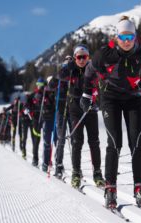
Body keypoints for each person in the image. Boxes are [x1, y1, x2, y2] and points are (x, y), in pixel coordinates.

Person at [80, 16, 141, 208]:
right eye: (123, 37)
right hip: (110, 98)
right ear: (117, 37)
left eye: (130, 37)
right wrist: (87, 95)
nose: (127, 41)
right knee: (114, 143)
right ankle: (110, 189)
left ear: (135, 36)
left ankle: (140, 189)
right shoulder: (105, 53)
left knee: (136, 142)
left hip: (133, 99)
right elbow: (89, 72)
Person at [55, 46, 104, 188]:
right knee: (77, 141)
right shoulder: (71, 69)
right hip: (75, 108)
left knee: (94, 141)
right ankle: (76, 172)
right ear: (75, 57)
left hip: (90, 108)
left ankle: (97, 173)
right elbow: (60, 76)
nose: (82, 60)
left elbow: (100, 82)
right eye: (79, 57)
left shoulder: (92, 69)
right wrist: (67, 65)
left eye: (84, 57)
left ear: (88, 57)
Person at [25, 78, 46, 167]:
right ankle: (35, 159)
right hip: (36, 119)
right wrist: (27, 108)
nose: (39, 87)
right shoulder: (33, 95)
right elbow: (27, 103)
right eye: (38, 85)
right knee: (36, 140)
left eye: (41, 85)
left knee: (47, 140)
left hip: (45, 118)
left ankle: (47, 160)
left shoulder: (46, 94)